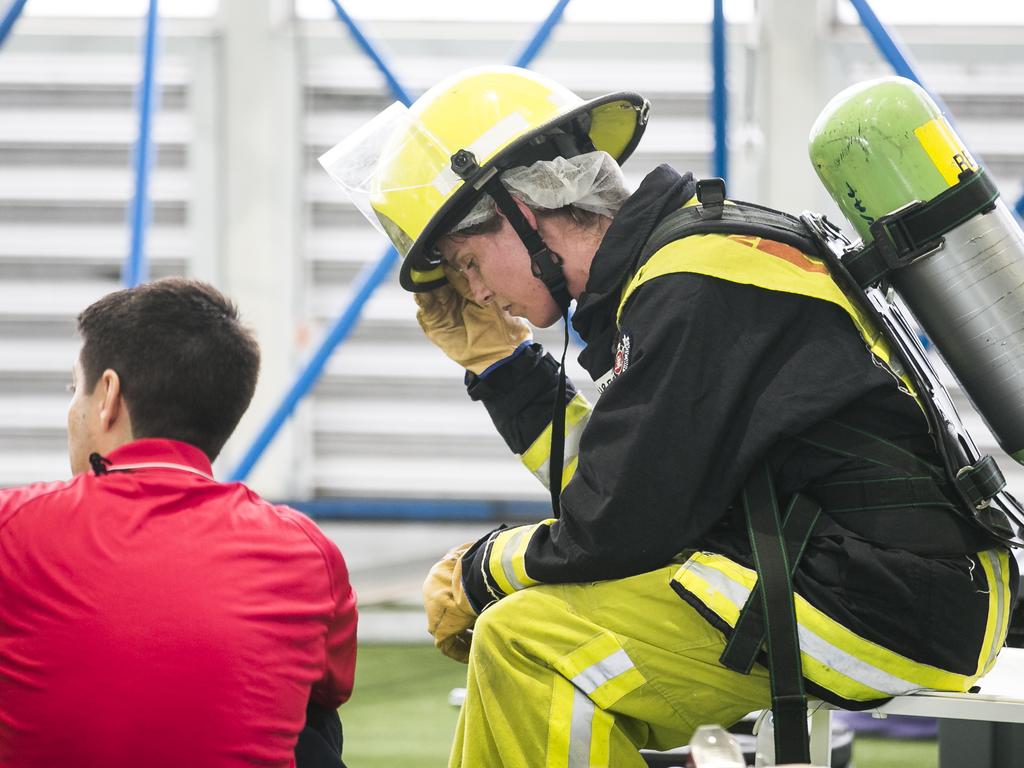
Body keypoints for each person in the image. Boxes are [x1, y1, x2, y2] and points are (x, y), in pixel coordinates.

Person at [321, 66, 1018, 767]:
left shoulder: (693, 284)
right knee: (531, 635)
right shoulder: (685, 268)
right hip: (892, 590)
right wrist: (502, 367)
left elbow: (614, 529)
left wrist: (478, 571)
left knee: (526, 642)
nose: (473, 291)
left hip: (892, 605)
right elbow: (611, 488)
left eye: (467, 261)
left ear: (522, 210)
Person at [0, 278, 357, 768]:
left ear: (107, 396)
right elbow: (330, 687)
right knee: (310, 724)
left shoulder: (14, 525)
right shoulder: (304, 548)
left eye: (73, 389)